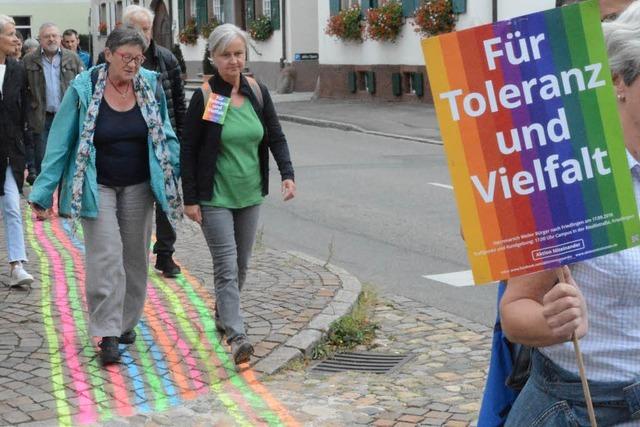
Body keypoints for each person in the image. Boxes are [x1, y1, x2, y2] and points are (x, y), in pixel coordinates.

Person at [500, 4, 640, 424]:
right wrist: (552, 320)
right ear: (620, 80)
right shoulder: (572, 175)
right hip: (579, 410)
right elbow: (514, 310)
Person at [29, 27, 181, 365]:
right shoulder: (84, 89)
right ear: (108, 54)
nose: (132, 65)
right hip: (95, 184)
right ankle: (107, 332)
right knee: (106, 257)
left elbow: (166, 135)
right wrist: (43, 190)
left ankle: (126, 321)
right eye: (125, 57)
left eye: (138, 59)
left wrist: (180, 173)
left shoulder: (150, 85)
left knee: (135, 258)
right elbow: (60, 142)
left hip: (139, 185)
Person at [182, 23, 296, 366]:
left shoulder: (256, 93)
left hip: (249, 194)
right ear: (213, 58)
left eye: (238, 53)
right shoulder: (207, 97)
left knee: (242, 264)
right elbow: (189, 149)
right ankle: (237, 334)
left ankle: (223, 313)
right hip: (215, 196)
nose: (233, 61)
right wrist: (190, 198)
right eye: (226, 55)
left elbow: (275, 136)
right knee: (226, 266)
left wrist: (287, 174)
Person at [98, 5, 186, 278]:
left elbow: (178, 105)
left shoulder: (166, 59)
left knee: (165, 197)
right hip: (128, 151)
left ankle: (165, 252)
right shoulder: (110, 63)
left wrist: (179, 145)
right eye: (137, 29)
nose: (143, 34)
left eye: (146, 29)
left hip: (161, 141)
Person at [22, 23, 83, 183]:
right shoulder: (29, 60)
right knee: (44, 163)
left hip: (67, 118)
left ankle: (64, 202)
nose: (51, 39)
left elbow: (83, 87)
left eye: (54, 35)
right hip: (42, 119)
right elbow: (22, 90)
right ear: (39, 39)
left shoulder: (72, 58)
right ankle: (45, 203)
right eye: (47, 36)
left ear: (60, 38)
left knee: (68, 162)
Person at [0, 15, 34, 288]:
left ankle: (17, 265)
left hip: (10, 152)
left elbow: (23, 112)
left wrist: (26, 153)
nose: (16, 39)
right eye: (11, 34)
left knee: (12, 207)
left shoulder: (17, 69)